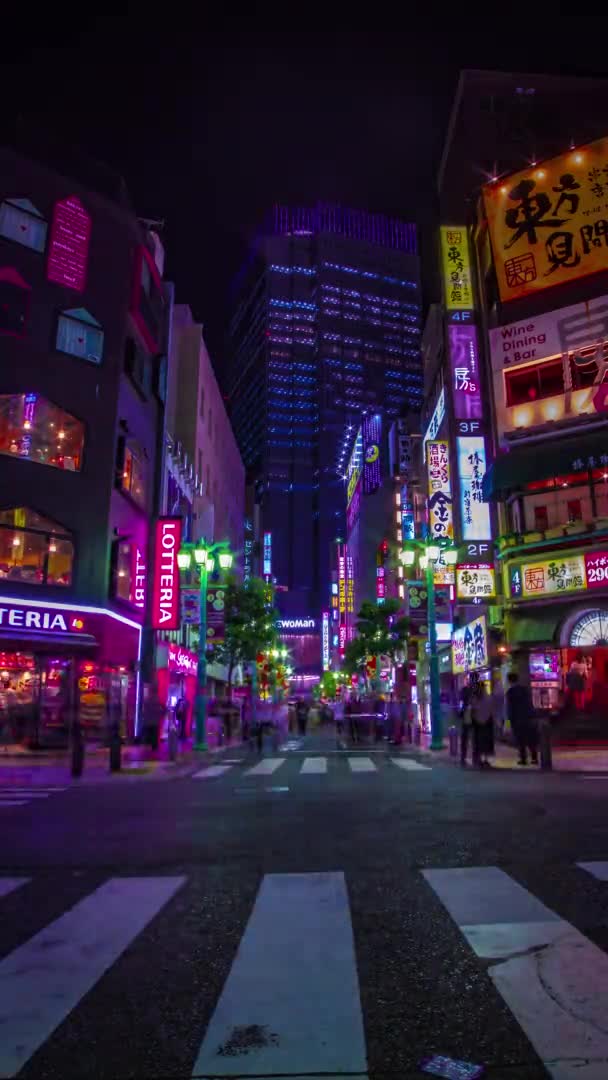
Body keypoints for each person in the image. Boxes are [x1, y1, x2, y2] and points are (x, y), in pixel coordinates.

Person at [506, 672, 538, 766]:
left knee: (521, 740)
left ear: (509, 681)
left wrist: (509, 721)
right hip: (527, 718)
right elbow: (530, 704)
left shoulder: (510, 692)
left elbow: (510, 708)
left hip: (517, 719)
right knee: (530, 739)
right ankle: (534, 758)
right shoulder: (524, 689)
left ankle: (523, 759)